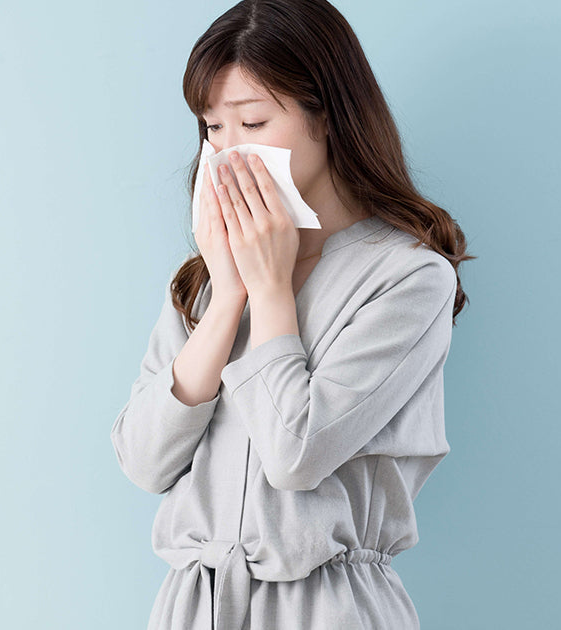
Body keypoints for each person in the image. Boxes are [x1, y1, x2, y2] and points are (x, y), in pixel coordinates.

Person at [110, 0, 475, 628]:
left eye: (252, 121)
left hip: (328, 608)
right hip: (194, 607)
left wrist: (270, 289)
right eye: (212, 127)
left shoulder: (409, 279)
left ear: (326, 115)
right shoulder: (204, 280)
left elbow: (295, 454)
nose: (228, 152)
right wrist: (229, 295)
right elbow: (144, 461)